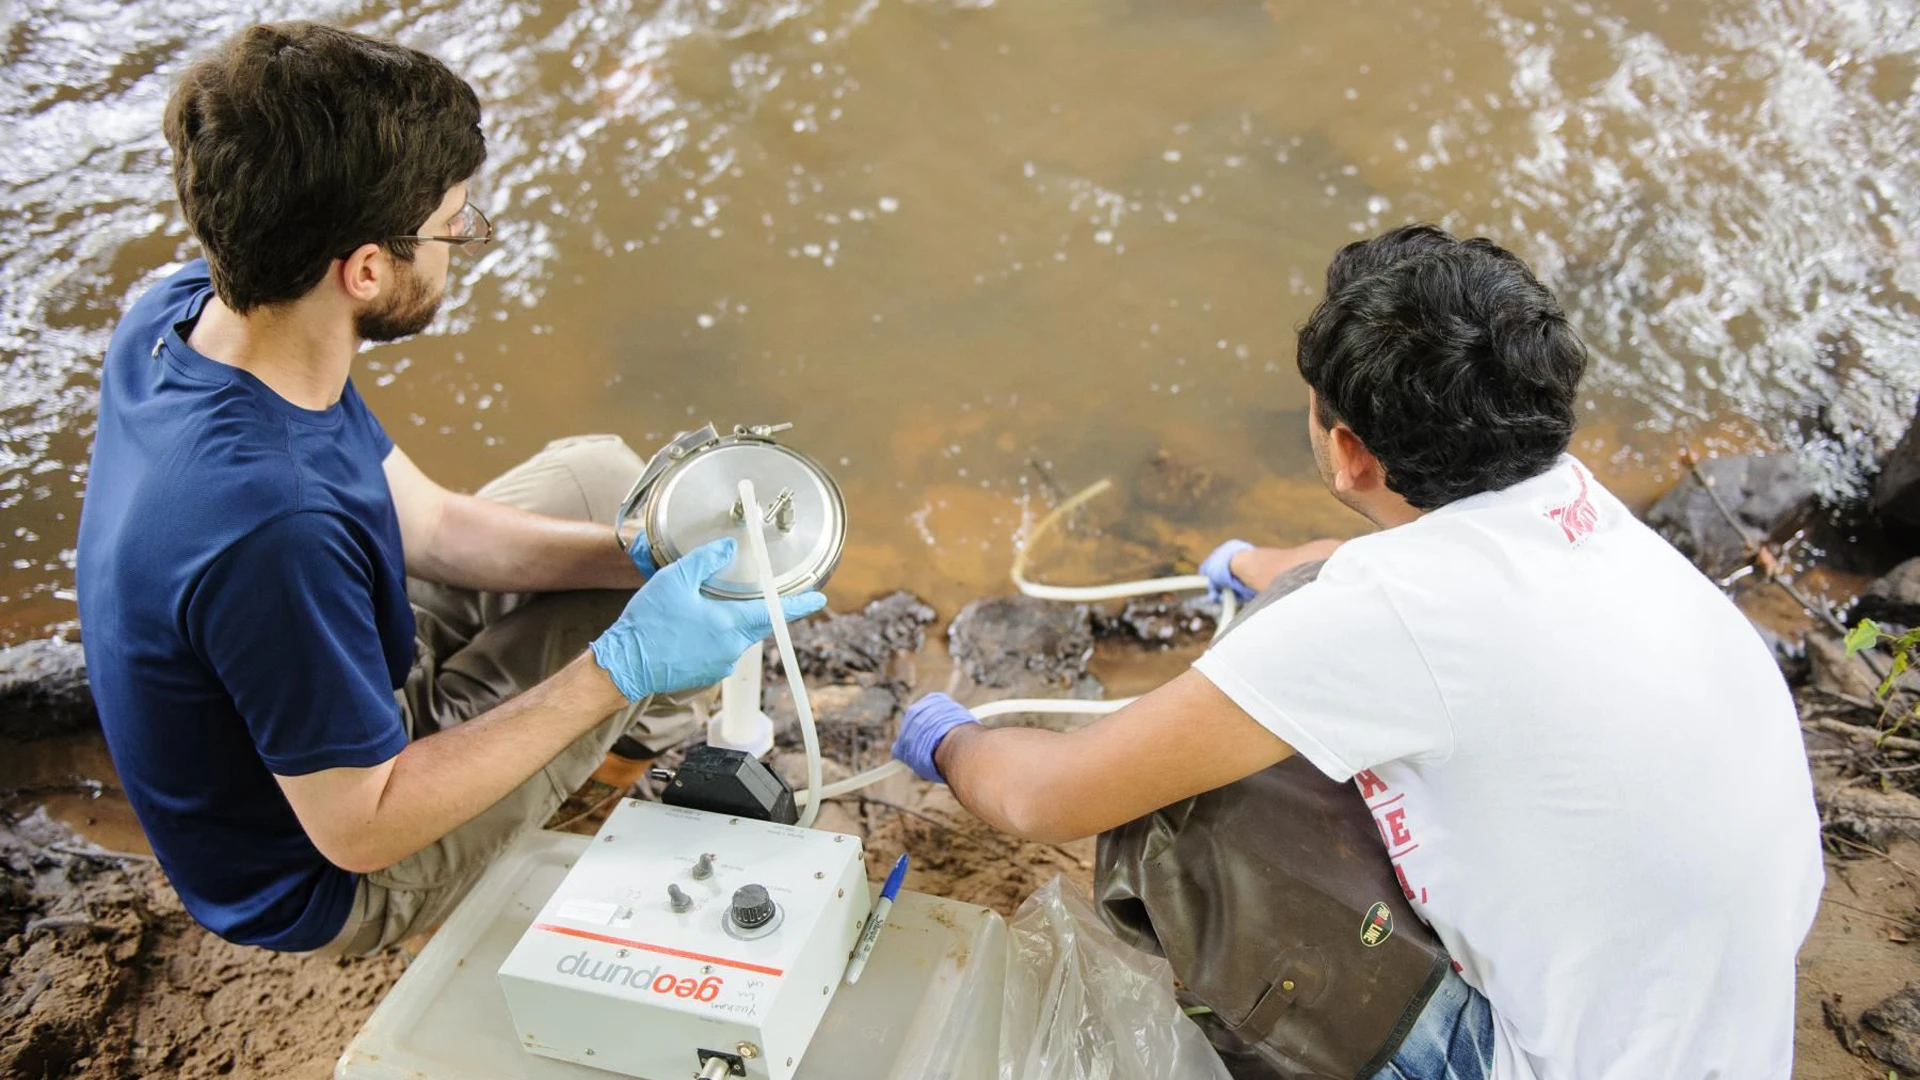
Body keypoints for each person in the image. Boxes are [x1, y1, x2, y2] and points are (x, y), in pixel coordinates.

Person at [893, 225, 1824, 1079]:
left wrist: (945, 737)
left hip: (1550, 1064)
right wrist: (1248, 566)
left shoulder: (1393, 612)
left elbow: (1044, 797)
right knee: (1296, 661)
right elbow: (1353, 577)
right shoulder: (1576, 508)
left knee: (1188, 811)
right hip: (1723, 1038)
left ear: (1347, 454)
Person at [73, 21, 822, 956]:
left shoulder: (197, 310)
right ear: (368, 269)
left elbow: (422, 524)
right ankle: (558, 813)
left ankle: (599, 767)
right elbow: (361, 826)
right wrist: (618, 667)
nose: (465, 239)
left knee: (604, 481)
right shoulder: (277, 527)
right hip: (330, 871)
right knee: (614, 644)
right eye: (453, 223)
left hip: (303, 707)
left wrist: (641, 552)